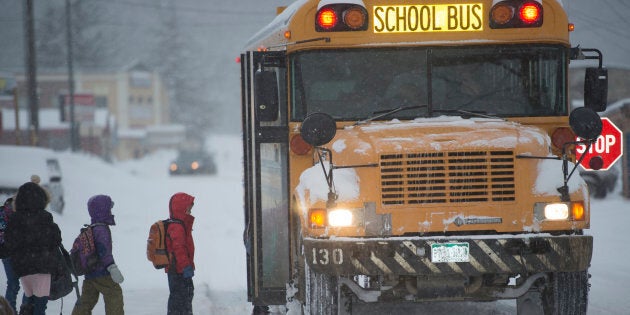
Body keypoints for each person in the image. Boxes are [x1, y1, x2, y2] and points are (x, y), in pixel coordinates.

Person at [4, 182, 62, 315]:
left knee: (28, 303)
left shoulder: (15, 219)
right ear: (41, 198)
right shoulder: (45, 217)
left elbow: (9, 243)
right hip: (43, 267)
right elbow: (56, 240)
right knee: (40, 306)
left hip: (23, 269)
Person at [71, 194, 124, 315]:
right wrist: (112, 267)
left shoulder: (92, 228)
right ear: (104, 210)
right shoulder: (102, 229)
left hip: (90, 272)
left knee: (86, 301)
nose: (111, 211)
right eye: (109, 209)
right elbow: (104, 252)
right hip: (102, 272)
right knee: (114, 295)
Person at [165, 192, 195, 315]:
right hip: (178, 271)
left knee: (183, 297)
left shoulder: (179, 225)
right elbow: (179, 249)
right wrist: (186, 266)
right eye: (188, 209)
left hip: (178, 271)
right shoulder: (177, 227)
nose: (190, 212)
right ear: (181, 209)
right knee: (180, 299)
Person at [0, 197, 26, 314]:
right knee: (15, 283)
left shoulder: (18, 215)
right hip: (9, 253)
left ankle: (13, 310)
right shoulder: (4, 214)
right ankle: (12, 311)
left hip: (16, 253)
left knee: (19, 283)